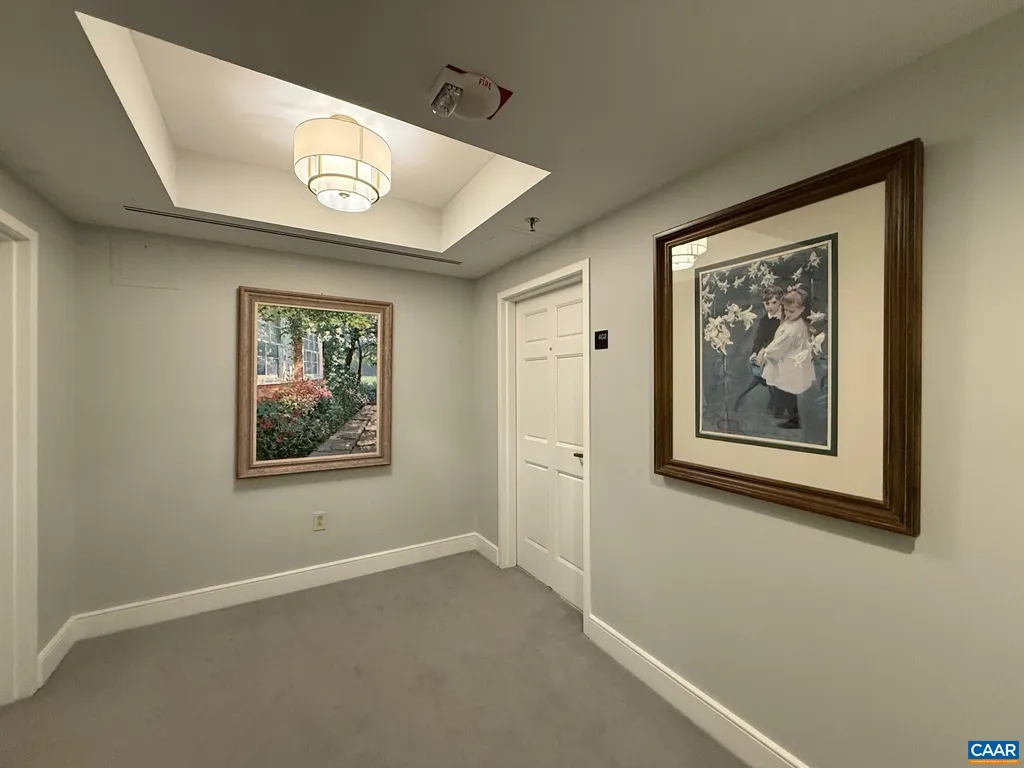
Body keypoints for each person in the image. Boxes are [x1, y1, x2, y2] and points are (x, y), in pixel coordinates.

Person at [756, 288, 815, 429]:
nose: (787, 314)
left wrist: (764, 353)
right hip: (787, 361)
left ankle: (793, 419)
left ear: (802, 309)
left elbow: (779, 346)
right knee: (783, 389)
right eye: (785, 310)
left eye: (791, 311)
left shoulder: (793, 328)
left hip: (788, 364)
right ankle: (783, 411)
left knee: (787, 391)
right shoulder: (793, 321)